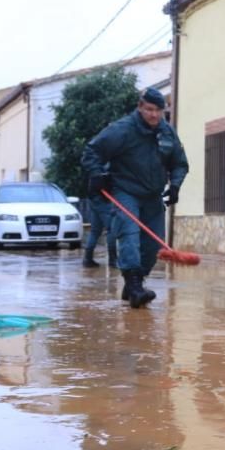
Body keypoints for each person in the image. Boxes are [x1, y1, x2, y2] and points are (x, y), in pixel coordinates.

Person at [81, 87, 188, 308]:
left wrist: (175, 185)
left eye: (159, 110)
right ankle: (135, 286)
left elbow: (179, 163)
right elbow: (92, 152)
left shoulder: (167, 133)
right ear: (140, 107)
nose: (154, 115)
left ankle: (133, 285)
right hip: (125, 191)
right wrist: (97, 174)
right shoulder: (122, 130)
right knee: (129, 235)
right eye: (149, 109)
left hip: (152, 196)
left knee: (153, 247)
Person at [82, 187, 117, 269]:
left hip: (93, 200)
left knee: (94, 231)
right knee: (111, 230)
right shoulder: (109, 174)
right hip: (104, 200)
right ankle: (113, 261)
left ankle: (88, 259)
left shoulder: (94, 174)